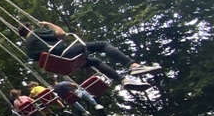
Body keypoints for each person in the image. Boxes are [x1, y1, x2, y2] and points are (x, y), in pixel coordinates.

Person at [18, 21, 160, 91]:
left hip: (63, 66)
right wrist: (48, 24)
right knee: (102, 45)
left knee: (94, 61)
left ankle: (123, 80)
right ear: (30, 28)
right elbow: (62, 34)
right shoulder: (36, 34)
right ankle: (133, 65)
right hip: (67, 55)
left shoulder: (28, 50)